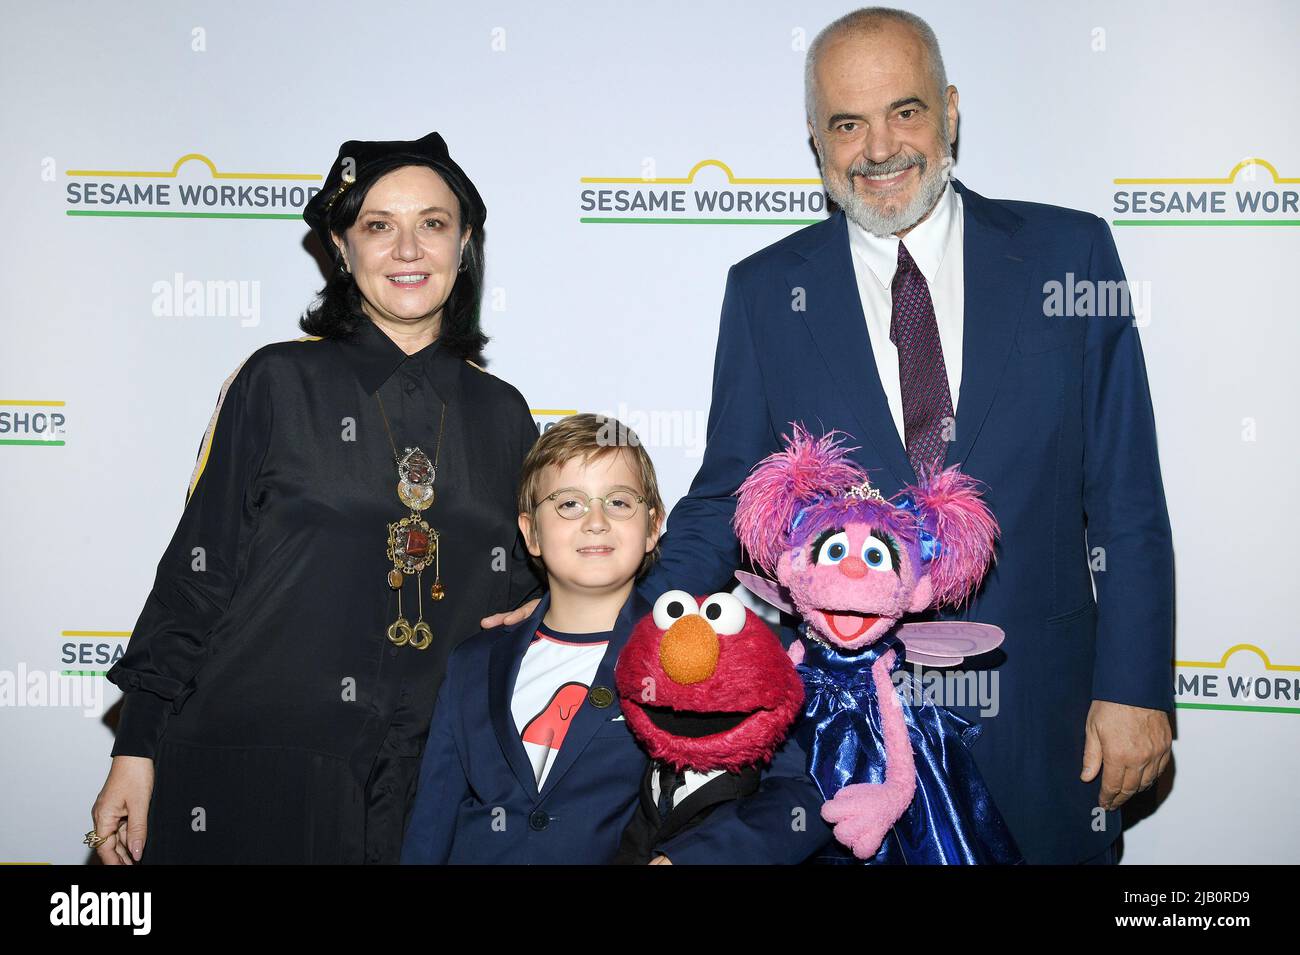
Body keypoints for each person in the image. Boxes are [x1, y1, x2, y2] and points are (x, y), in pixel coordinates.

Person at [485, 9, 1174, 865]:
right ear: (817, 140)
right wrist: (589, 613)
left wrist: (1136, 688)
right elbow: (725, 496)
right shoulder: (768, 291)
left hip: (1044, 722)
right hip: (845, 757)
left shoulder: (1068, 254)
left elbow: (1125, 495)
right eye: (847, 123)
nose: (879, 146)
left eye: (906, 111)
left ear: (951, 112)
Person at [90, 132, 542, 864]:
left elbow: (536, 594)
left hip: (429, 788)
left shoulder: (505, 415)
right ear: (340, 247)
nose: (407, 248)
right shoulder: (276, 382)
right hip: (254, 773)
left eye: (432, 223)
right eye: (377, 225)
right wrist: (136, 746)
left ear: (463, 245)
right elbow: (197, 576)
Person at [402, 414, 831, 864]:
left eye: (619, 503)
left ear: (651, 528)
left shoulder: (701, 650)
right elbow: (433, 820)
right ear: (530, 532)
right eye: (569, 504)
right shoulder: (475, 660)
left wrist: (688, 859)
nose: (596, 522)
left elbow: (802, 796)